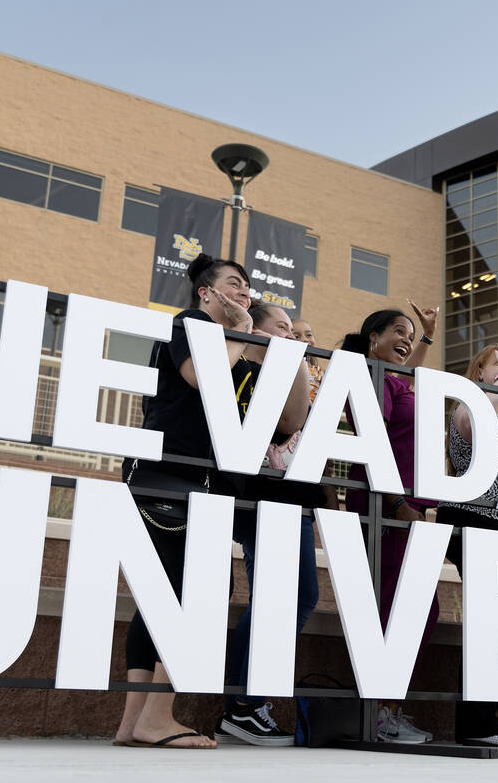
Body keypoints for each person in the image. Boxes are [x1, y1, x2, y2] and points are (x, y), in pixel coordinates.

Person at [113, 254, 308, 749]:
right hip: (169, 475)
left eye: (247, 288)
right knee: (191, 592)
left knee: (163, 595)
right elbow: (205, 380)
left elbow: (288, 423)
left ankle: (134, 722)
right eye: (233, 285)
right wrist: (243, 328)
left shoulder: (238, 349)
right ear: (206, 292)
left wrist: (288, 356)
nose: (243, 293)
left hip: (201, 481)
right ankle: (158, 716)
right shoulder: (191, 324)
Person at [220, 303, 324, 746]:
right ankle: (244, 704)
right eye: (282, 327)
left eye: (297, 330)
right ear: (256, 331)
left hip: (289, 497)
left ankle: (246, 701)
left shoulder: (284, 373)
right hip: (261, 497)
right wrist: (296, 365)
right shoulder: (245, 368)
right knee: (283, 596)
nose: (294, 335)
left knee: (295, 595)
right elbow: (285, 426)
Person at [341, 300, 440, 744]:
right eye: (397, 332)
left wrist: (428, 335)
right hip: (385, 508)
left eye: (409, 334)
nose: (406, 340)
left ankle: (385, 709)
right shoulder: (367, 376)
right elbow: (373, 442)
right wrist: (399, 503)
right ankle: (378, 714)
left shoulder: (392, 381)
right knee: (393, 609)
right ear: (373, 339)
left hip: (406, 512)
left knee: (414, 607)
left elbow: (406, 380)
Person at [435, 344, 498, 747]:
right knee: (489, 622)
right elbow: (477, 430)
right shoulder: (471, 407)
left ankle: (482, 717)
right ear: (478, 371)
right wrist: (495, 388)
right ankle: (479, 722)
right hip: (482, 522)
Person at [290, 318, 323, 402]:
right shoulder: (287, 368)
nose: (305, 339)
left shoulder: (318, 371)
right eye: (296, 336)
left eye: (309, 335)